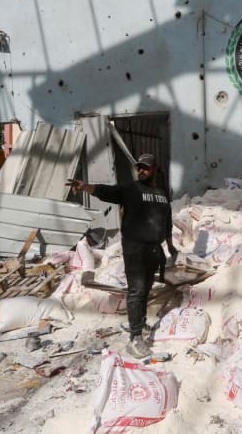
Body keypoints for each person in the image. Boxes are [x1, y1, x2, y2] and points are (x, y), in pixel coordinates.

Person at [66, 153, 177, 359]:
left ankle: (140, 323)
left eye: (145, 167)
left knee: (146, 289)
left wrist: (170, 247)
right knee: (137, 290)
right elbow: (106, 191)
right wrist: (85, 186)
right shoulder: (130, 189)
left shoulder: (161, 193)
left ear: (154, 169)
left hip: (154, 249)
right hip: (135, 247)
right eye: (139, 167)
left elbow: (167, 221)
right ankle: (135, 339)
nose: (141, 170)